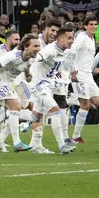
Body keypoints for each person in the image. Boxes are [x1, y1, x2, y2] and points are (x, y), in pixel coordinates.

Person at [30, 27, 78, 155]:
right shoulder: (50, 50)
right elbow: (39, 57)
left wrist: (56, 71)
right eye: (69, 38)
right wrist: (34, 65)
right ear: (60, 38)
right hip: (39, 85)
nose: (72, 41)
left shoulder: (63, 51)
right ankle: (62, 145)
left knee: (36, 116)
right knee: (55, 111)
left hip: (47, 85)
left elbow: (54, 63)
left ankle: (34, 144)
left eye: (72, 38)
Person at [69, 16, 99, 143]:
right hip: (79, 75)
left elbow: (86, 57)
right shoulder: (82, 37)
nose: (94, 26)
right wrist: (73, 69)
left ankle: (72, 98)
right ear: (85, 26)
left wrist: (91, 69)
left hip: (88, 75)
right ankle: (76, 136)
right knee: (85, 105)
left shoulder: (91, 38)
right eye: (91, 24)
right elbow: (71, 51)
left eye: (95, 24)